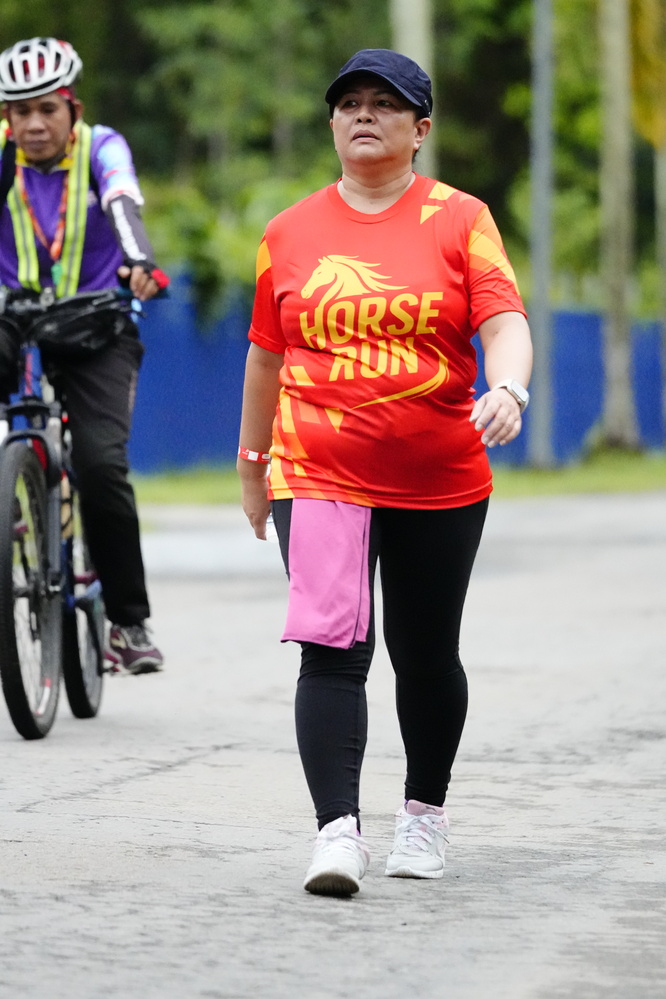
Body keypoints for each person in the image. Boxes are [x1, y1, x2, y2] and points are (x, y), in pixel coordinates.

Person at [237, 48, 533, 896]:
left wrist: (509, 386)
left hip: (440, 473)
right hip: (318, 470)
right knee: (331, 650)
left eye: (385, 103)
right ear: (332, 123)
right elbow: (266, 356)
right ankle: (336, 832)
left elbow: (504, 320)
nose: (364, 114)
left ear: (420, 127)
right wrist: (254, 464)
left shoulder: (460, 218)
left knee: (426, 653)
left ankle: (423, 814)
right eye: (349, 103)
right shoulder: (288, 231)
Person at [0, 37, 168, 674]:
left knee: (100, 466)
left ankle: (127, 623)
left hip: (97, 322)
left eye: (47, 108)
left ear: (72, 108)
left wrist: (140, 259)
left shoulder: (102, 147)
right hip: (13, 317)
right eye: (20, 112)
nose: (34, 124)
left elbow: (123, 202)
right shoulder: (3, 155)